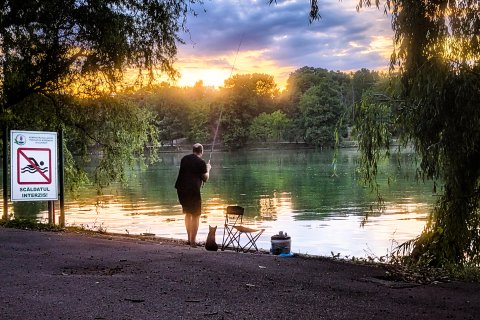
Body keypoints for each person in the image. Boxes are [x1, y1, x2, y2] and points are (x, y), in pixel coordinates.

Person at [175, 143, 211, 247]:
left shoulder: (184, 159)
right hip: (192, 191)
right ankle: (193, 242)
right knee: (196, 215)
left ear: (193, 150)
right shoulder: (201, 162)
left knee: (188, 213)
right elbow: (205, 178)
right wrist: (208, 169)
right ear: (202, 151)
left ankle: (189, 239)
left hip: (181, 190)